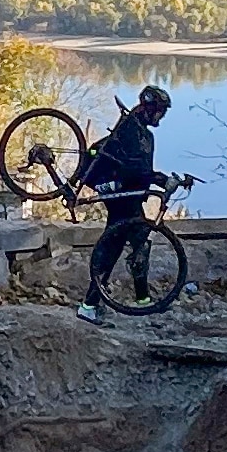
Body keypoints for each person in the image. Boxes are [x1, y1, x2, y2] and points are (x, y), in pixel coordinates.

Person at [74, 84, 169, 318]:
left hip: (125, 191)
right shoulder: (136, 132)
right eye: (161, 112)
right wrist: (162, 180)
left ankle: (141, 298)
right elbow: (136, 169)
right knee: (116, 244)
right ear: (150, 109)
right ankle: (90, 305)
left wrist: (157, 180)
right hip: (120, 191)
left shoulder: (134, 127)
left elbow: (136, 170)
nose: (162, 117)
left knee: (137, 242)